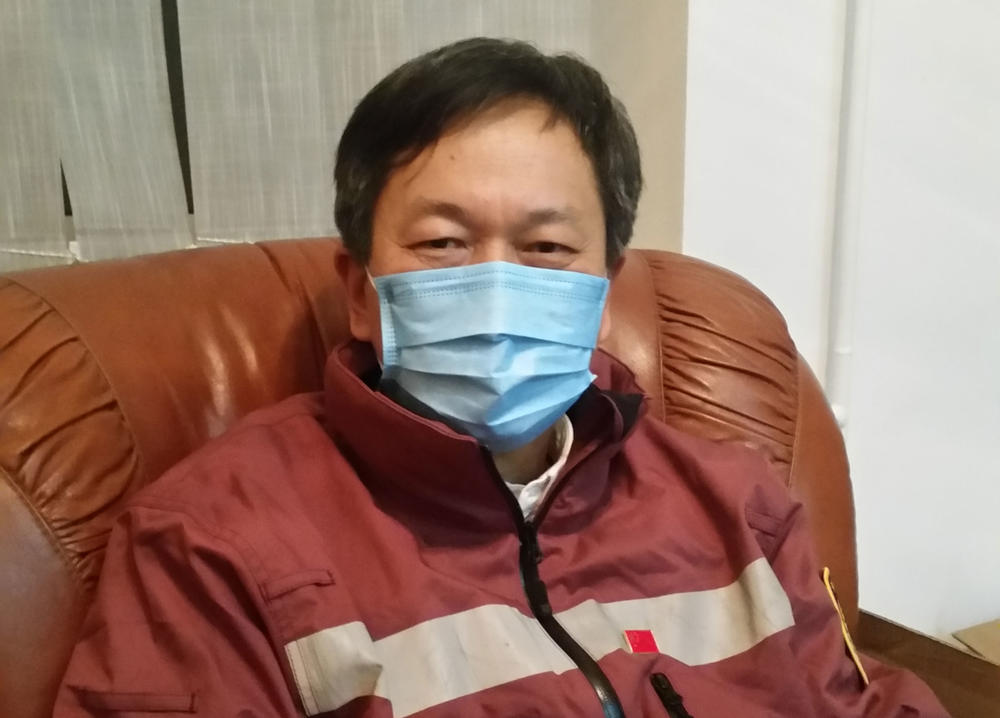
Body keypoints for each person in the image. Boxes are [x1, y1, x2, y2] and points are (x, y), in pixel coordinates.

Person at [54, 38, 949, 717]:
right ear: (361, 293)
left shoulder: (739, 507)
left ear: (602, 295)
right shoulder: (211, 546)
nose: (495, 284)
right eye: (443, 242)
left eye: (546, 247)